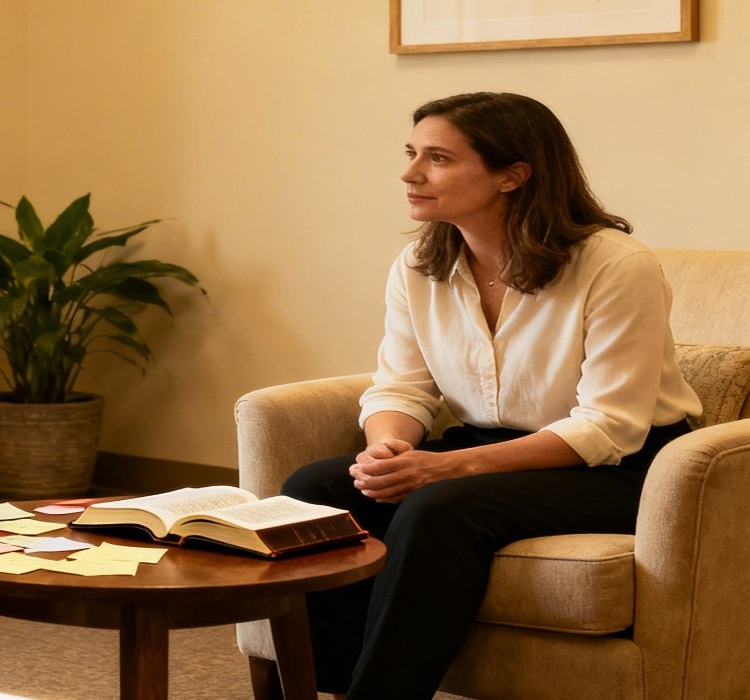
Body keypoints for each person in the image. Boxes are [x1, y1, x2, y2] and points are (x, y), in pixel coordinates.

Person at [280, 92, 701, 699]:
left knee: (439, 507)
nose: (410, 173)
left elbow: (608, 426)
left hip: (623, 466)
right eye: (411, 153)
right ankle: (331, 684)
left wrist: (442, 469)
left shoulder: (615, 266)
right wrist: (390, 451)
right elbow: (403, 385)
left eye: (439, 158)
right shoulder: (418, 265)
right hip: (491, 448)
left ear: (512, 175)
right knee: (314, 491)